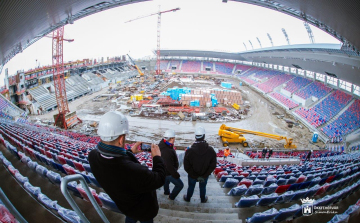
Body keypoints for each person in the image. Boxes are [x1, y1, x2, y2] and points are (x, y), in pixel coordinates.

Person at [88, 111, 166, 223]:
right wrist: (157, 158)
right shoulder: (134, 170)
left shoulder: (92, 156)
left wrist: (129, 152)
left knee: (130, 218)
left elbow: (116, 164)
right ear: (121, 140)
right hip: (145, 211)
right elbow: (159, 179)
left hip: (125, 206)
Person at [183, 126, 217, 203]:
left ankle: (188, 198)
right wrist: (205, 174)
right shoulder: (210, 150)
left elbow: (186, 166)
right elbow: (213, 165)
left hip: (192, 175)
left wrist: (193, 175)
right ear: (204, 136)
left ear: (195, 137)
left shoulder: (189, 151)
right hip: (204, 175)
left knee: (191, 186)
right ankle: (202, 199)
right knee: (203, 187)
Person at [158, 129, 183, 200]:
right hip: (168, 172)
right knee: (180, 185)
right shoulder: (167, 151)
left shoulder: (164, 145)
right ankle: (171, 197)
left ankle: (166, 192)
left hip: (164, 171)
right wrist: (176, 174)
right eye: (174, 138)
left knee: (166, 181)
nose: (174, 140)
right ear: (171, 139)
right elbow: (169, 166)